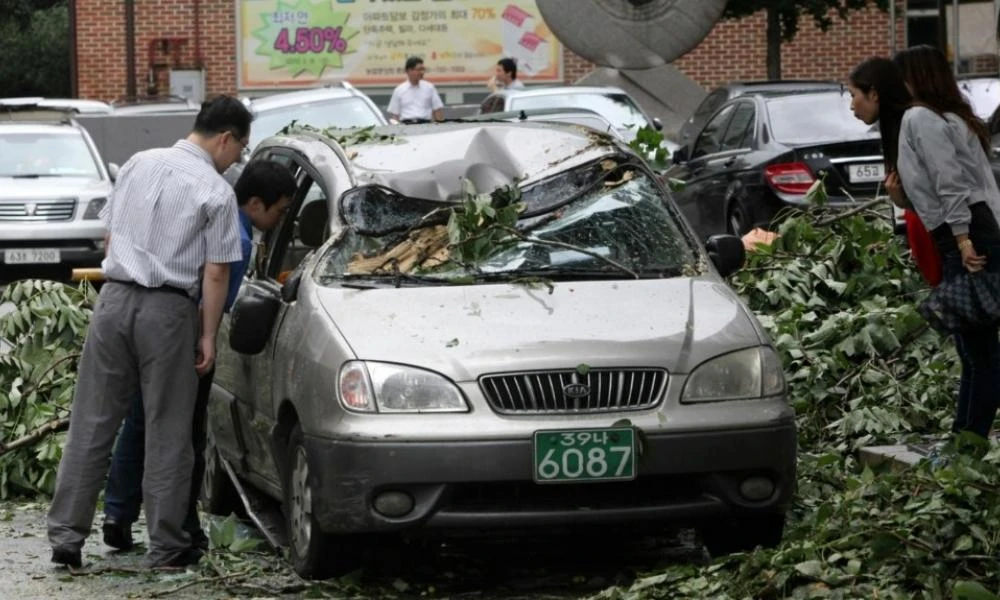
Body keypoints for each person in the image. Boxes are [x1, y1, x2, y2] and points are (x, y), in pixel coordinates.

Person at [47, 96, 251, 569]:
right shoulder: (217, 192)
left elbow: (111, 236)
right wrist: (207, 336)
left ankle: (66, 538)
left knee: (91, 425)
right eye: (239, 148)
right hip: (169, 311)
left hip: (113, 302)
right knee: (168, 430)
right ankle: (167, 544)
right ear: (225, 138)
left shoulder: (138, 163)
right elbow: (216, 273)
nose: (238, 158)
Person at [100, 160, 298, 553]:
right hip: (184, 337)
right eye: (278, 211)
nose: (279, 221)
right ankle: (182, 526)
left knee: (138, 420)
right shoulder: (236, 239)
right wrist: (204, 340)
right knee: (183, 435)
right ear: (256, 204)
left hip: (145, 322)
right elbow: (216, 292)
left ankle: (117, 514)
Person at [849, 49, 1000, 442]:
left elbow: (953, 185)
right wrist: (900, 200)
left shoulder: (921, 119)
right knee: (973, 350)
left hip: (967, 236)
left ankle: (969, 442)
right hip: (960, 235)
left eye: (854, 95)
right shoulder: (926, 120)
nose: (851, 104)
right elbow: (933, 192)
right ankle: (964, 438)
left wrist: (964, 240)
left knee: (979, 351)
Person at [387, 56, 444, 123]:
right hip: (406, 126)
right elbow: (395, 115)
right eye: (419, 70)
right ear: (409, 71)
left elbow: (437, 110)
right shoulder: (399, 90)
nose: (422, 72)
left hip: (426, 124)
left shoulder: (429, 88)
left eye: (423, 69)